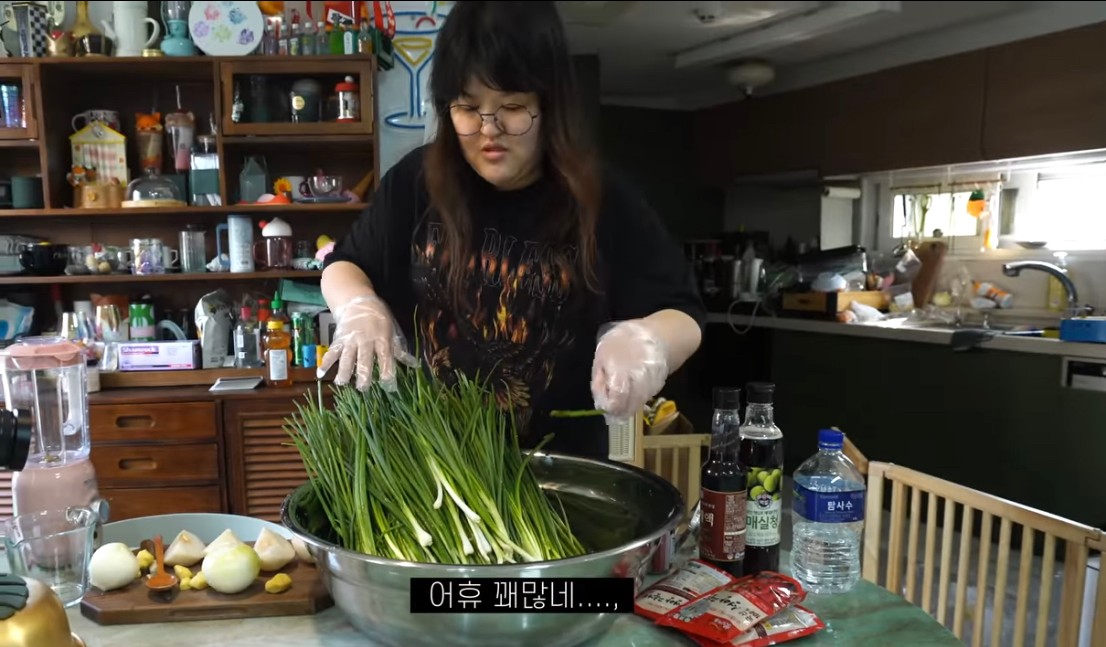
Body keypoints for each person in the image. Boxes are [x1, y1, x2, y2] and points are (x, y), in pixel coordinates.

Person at [318, 0, 705, 460]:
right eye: (468, 108)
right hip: (430, 467)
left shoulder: (602, 199)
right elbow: (345, 264)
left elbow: (684, 313)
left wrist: (647, 341)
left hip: (558, 471)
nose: (489, 129)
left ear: (549, 104)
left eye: (513, 106)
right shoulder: (417, 182)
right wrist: (359, 308)